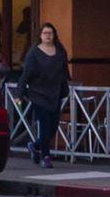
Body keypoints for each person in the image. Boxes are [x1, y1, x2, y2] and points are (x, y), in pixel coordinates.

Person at [18, 22, 71, 168]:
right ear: (40, 35)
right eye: (45, 33)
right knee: (45, 125)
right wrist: (20, 92)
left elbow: (64, 69)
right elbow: (26, 74)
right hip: (39, 93)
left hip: (56, 92)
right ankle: (46, 156)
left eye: (50, 33)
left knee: (54, 125)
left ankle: (35, 146)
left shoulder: (60, 50)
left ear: (54, 35)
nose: (48, 35)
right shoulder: (34, 52)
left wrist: (66, 84)